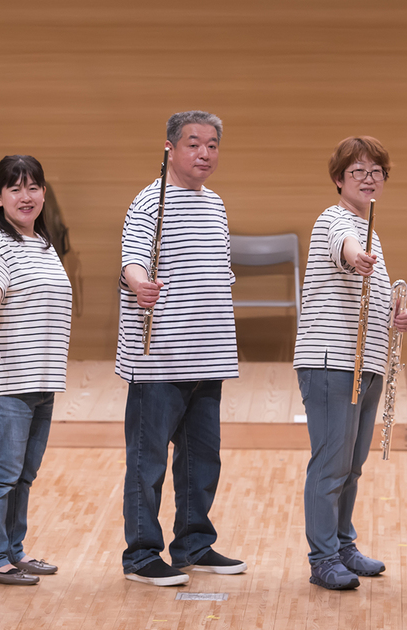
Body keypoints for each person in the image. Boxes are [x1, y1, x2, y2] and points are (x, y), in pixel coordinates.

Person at [117, 110, 245, 586]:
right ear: (170, 149)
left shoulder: (216, 204)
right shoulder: (149, 201)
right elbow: (131, 261)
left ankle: (193, 545)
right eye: (193, 144)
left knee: (201, 460)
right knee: (146, 462)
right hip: (159, 359)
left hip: (208, 354)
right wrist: (140, 285)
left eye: (212, 145)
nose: (204, 153)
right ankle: (140, 555)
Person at [294, 136, 407, 590]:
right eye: (357, 171)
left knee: (352, 465)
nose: (368, 178)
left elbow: (367, 295)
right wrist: (354, 256)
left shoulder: (370, 229)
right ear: (339, 179)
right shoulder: (335, 220)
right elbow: (343, 248)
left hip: (367, 363)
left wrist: (393, 315)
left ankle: (343, 545)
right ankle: (323, 558)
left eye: (376, 171)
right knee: (331, 463)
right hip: (332, 361)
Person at [0, 155, 72, 585]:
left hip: (42, 378)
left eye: (32, 187)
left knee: (23, 475)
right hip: (8, 381)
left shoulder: (43, 244)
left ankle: (13, 551)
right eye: (15, 189)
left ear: (44, 193)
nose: (25, 196)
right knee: (1, 474)